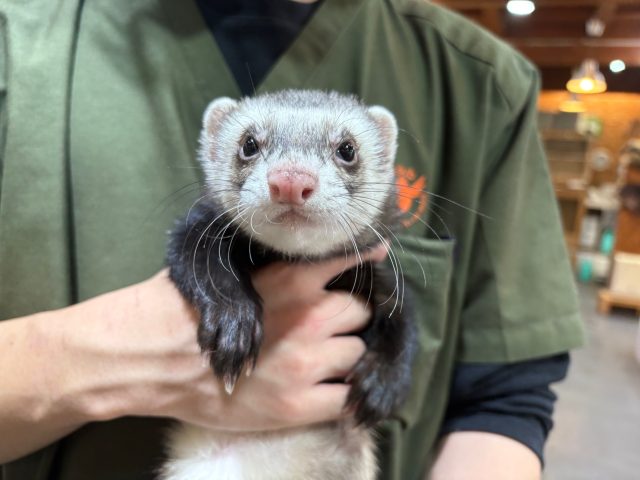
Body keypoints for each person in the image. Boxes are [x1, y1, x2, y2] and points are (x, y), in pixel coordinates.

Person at [0, 1, 585, 479]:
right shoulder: (20, 36)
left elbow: (504, 399)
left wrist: (390, 360)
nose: (290, 179)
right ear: (214, 148)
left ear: (384, 155)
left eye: (346, 153)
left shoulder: (480, 81)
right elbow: (194, 253)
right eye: (251, 148)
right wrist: (97, 360)